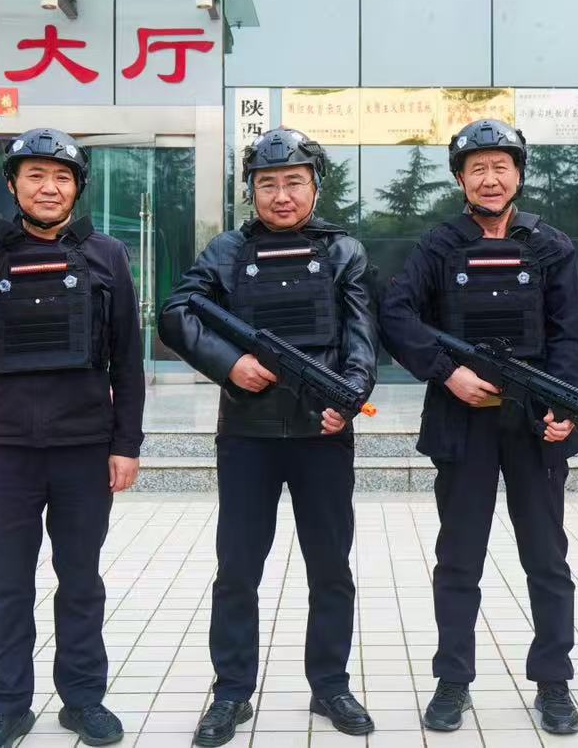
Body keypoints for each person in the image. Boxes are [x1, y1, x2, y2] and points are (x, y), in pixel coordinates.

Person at [159, 128, 378, 746]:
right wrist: (229, 363)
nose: (281, 196)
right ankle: (231, 693)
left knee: (330, 567)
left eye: (294, 183)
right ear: (252, 191)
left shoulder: (344, 251)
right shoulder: (226, 250)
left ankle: (330, 685)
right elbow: (176, 313)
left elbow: (362, 339)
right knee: (237, 569)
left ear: (315, 186)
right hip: (247, 434)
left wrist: (348, 399)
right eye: (268, 185)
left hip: (322, 434)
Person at [0, 127, 145, 748]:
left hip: (84, 447)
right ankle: (8, 707)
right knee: (8, 581)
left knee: (81, 579)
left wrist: (126, 444)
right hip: (3, 448)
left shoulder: (107, 254)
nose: (49, 188)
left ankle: (83, 700)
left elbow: (127, 359)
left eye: (62, 177)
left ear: (78, 187)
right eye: (35, 175)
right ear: (13, 184)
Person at [379, 120, 578, 736]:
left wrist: (563, 408)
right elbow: (396, 315)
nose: (490, 179)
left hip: (533, 420)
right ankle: (453, 681)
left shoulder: (552, 246)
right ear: (461, 179)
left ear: (518, 174)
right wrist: (448, 373)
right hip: (462, 421)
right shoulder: (438, 246)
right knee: (458, 558)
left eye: (501, 167)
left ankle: (554, 683)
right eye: (477, 169)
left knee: (546, 558)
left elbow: (567, 335)